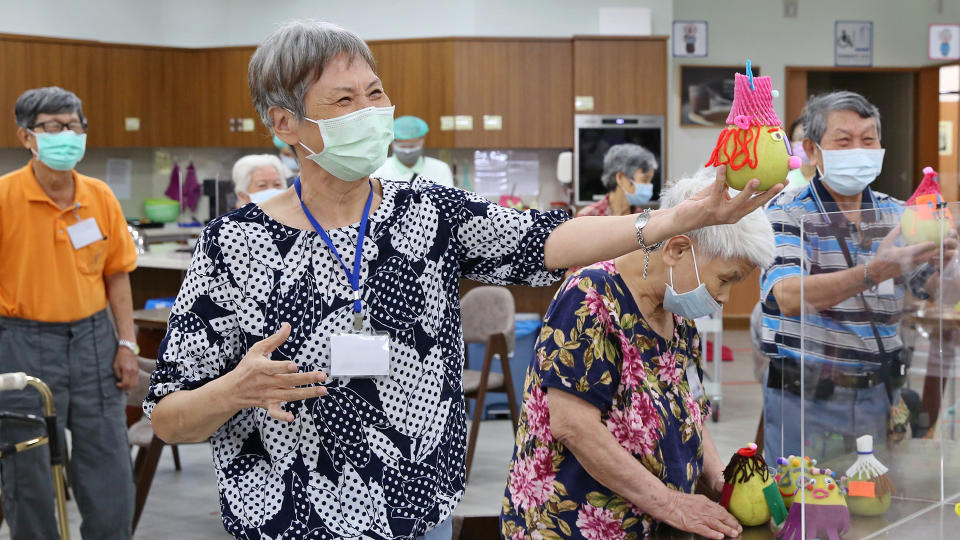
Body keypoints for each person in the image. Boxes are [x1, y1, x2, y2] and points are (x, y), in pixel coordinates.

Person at [143, 20, 782, 540]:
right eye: (343, 100)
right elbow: (171, 420)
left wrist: (685, 216)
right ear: (284, 125)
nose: (369, 112)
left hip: (418, 512)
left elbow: (549, 239)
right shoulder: (232, 246)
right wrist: (234, 389)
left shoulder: (426, 212)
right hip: (288, 520)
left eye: (374, 93)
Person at [500, 168, 773, 540]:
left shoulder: (677, 314)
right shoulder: (590, 297)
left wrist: (722, 481)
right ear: (677, 250)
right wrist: (670, 503)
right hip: (575, 527)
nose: (724, 298)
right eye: (725, 280)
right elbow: (574, 426)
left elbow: (690, 409)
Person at [760, 91, 956, 463]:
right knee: (801, 511)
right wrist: (874, 271)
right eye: (843, 140)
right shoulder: (786, 213)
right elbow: (785, 295)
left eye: (868, 140)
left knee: (877, 508)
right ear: (812, 150)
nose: (859, 150)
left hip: (878, 396)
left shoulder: (898, 214)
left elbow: (932, 287)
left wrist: (947, 259)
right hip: (805, 397)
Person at [0, 86, 137, 539]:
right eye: (54, 127)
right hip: (22, 341)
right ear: (26, 137)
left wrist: (126, 343)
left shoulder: (98, 196)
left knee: (109, 459)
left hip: (95, 340)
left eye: (74, 126)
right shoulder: (4, 198)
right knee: (28, 465)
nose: (68, 135)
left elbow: (117, 276)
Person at [578, 143, 658, 217]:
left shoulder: (642, 218)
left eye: (650, 181)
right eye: (644, 180)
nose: (649, 186)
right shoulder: (588, 216)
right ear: (620, 178)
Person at [371, 115, 454, 186]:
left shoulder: (440, 169)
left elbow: (448, 202)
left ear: (423, 141)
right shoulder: (378, 170)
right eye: (402, 146)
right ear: (392, 143)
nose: (408, 151)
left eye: (412, 146)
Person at [784, 119, 816, 191]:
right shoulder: (786, 181)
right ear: (791, 144)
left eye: (810, 138)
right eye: (800, 138)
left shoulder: (829, 180)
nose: (806, 144)